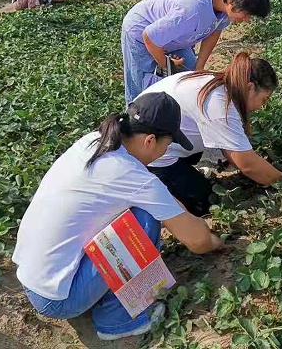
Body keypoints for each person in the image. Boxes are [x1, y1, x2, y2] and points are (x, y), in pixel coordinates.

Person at [12, 92, 223, 342]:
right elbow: (198, 241)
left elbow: (161, 198)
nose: (165, 151)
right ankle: (117, 320)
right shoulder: (131, 175)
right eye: (167, 145)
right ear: (150, 140)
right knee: (144, 219)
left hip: (32, 275)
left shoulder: (95, 141)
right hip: (59, 299)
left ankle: (98, 294)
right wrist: (218, 242)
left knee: (142, 212)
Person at [141, 53, 282, 216]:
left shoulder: (217, 82)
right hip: (152, 155)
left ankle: (182, 171)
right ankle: (154, 182)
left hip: (154, 135)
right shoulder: (219, 103)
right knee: (205, 202)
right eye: (264, 99)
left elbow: (233, 151)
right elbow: (247, 164)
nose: (261, 106)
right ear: (250, 87)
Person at [120, 0, 270, 103]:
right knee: (142, 86)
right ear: (231, 2)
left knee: (192, 77)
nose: (246, 19)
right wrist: (166, 64)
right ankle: (133, 123)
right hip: (141, 31)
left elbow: (215, 31)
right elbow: (150, 37)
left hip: (174, 34)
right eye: (247, 14)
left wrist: (200, 66)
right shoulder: (191, 10)